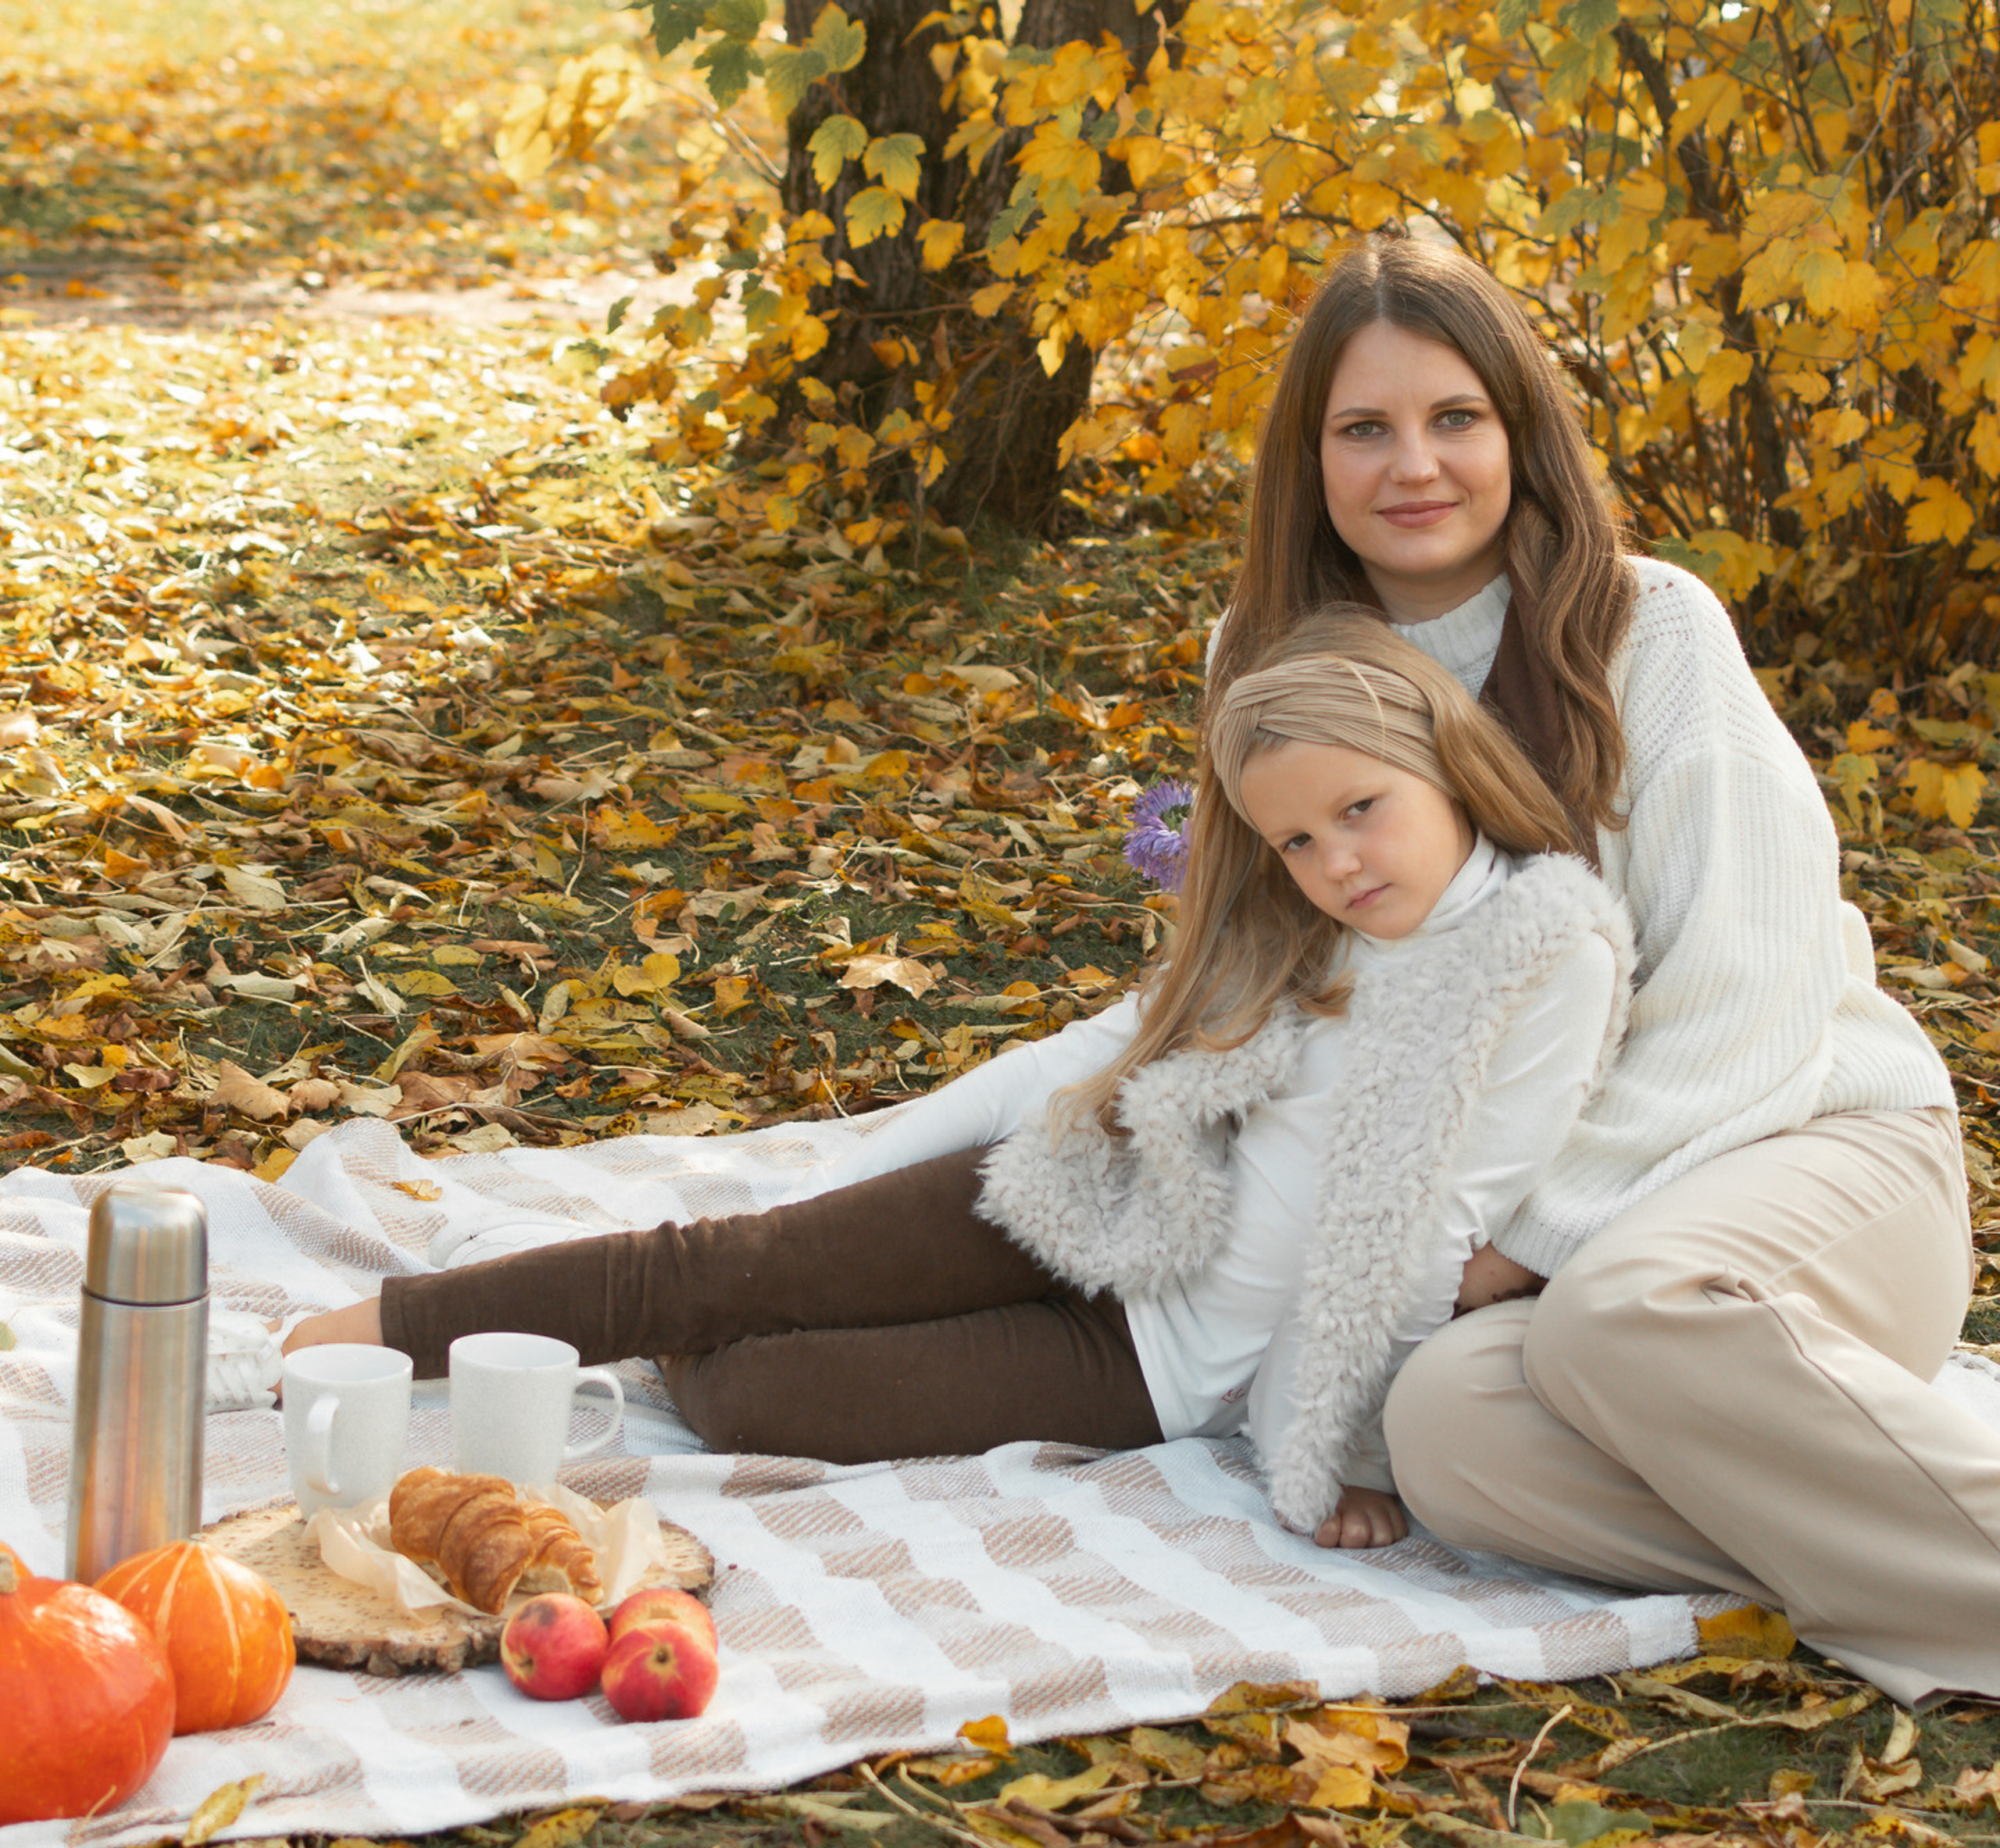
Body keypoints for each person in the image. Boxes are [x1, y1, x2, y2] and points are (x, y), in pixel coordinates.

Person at [286, 614, 1629, 1551]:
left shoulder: (1538, 953)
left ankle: (637, 1324)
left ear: (1446, 761)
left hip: (1139, 1355)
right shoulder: (1308, 925)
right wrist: (827, 1208)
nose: (1336, 860)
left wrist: (1334, 1453)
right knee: (717, 1266)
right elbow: (1087, 1054)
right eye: (1295, 838)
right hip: (1084, 1192)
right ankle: (359, 1336)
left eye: (1362, 810)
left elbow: (1427, 1235)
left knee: (755, 1398)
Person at [1209, 226, 1985, 1704]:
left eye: (1456, 419)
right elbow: (1279, 1004)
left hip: (1810, 1152)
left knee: (1621, 1305)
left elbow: (1747, 1001)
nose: (1413, 465)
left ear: (1520, 432)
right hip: (1550, 1300)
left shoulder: (1650, 627)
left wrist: (1512, 1244)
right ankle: (1875, 1556)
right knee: (1449, 1435)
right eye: (1363, 429)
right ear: (1308, 462)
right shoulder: (1268, 673)